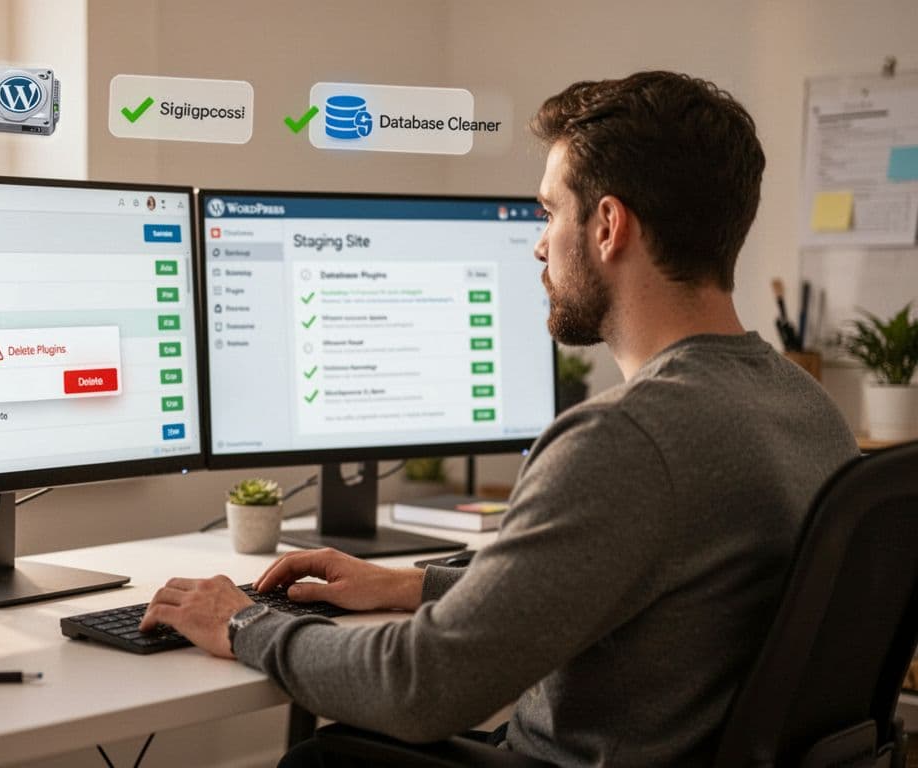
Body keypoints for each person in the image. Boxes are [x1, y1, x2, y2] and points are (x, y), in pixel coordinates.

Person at [140, 71, 860, 766]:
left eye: (549, 210)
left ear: (608, 225)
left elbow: (420, 688)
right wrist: (410, 584)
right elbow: (639, 587)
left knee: (322, 758)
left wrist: (242, 622)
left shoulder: (626, 438)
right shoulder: (806, 408)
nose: (540, 243)